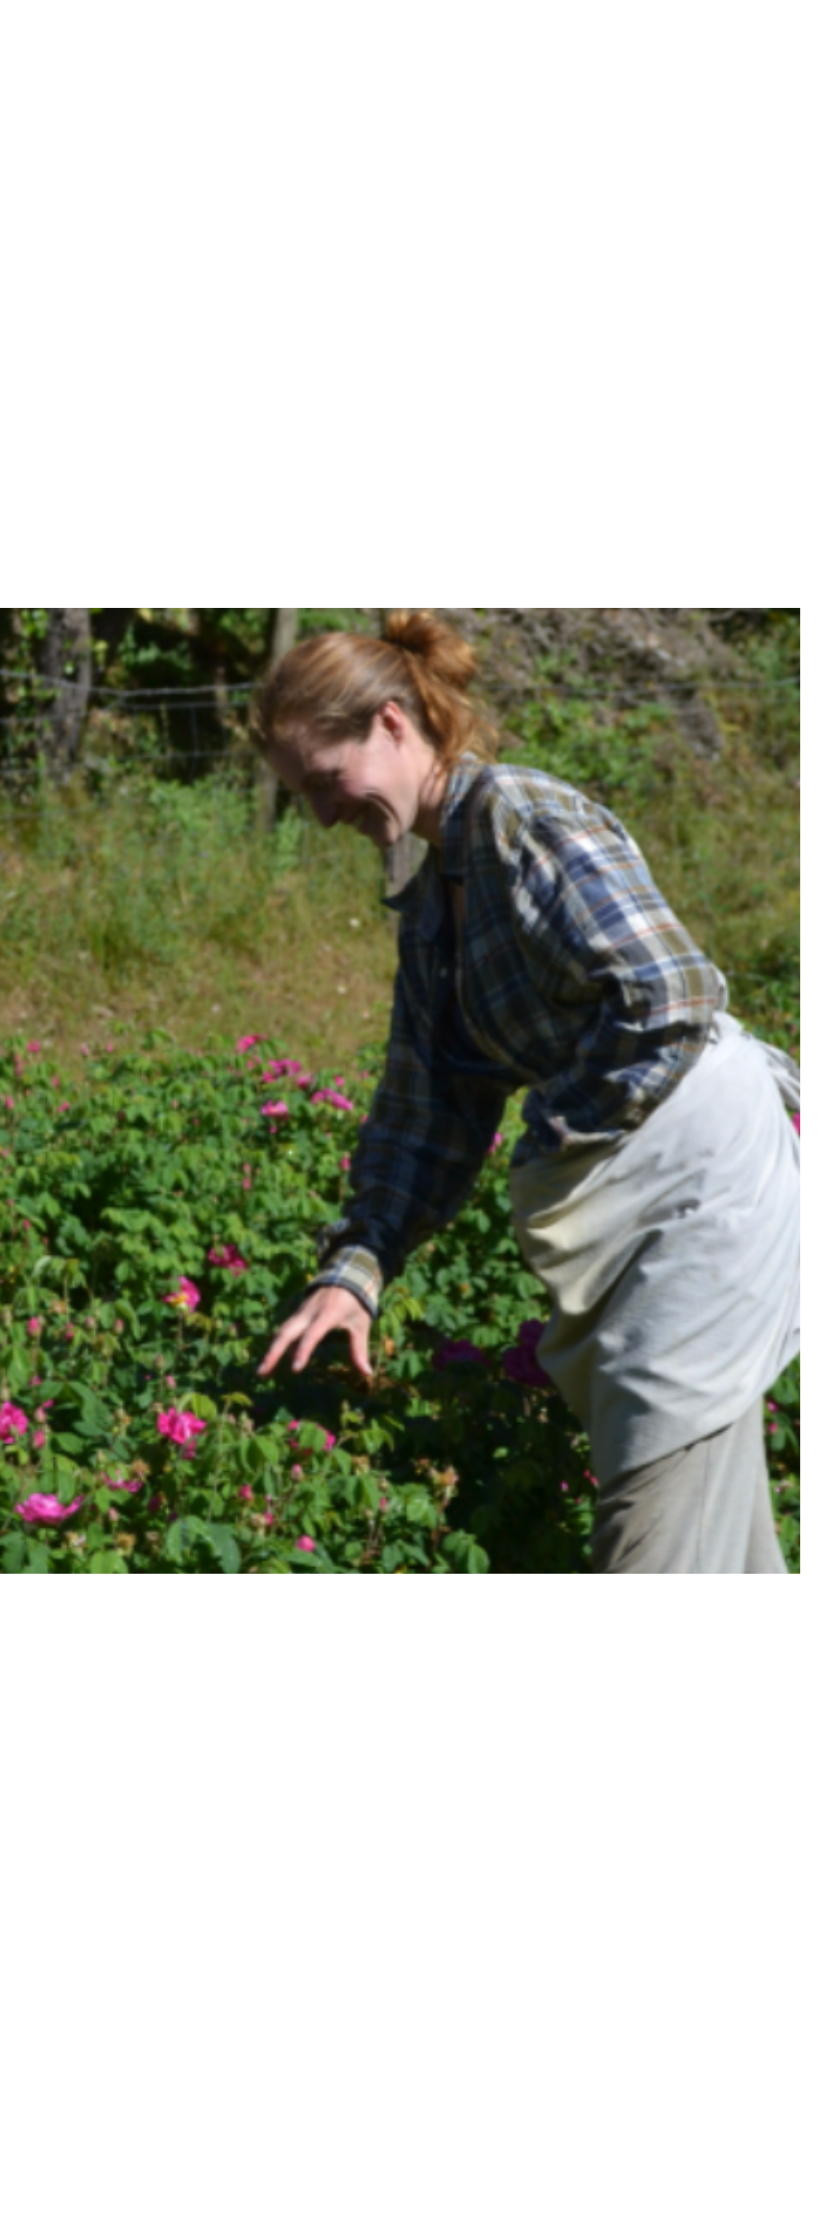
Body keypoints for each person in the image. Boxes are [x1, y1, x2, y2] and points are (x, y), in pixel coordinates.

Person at [252, 611, 800, 1576]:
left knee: (655, 1505)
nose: (324, 815)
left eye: (324, 782)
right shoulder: (433, 907)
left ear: (389, 723)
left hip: (701, 1179)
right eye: (303, 797)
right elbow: (425, 1115)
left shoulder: (518, 817)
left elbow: (667, 994)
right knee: (704, 1508)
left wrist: (553, 1134)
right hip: (645, 1191)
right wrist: (354, 1271)